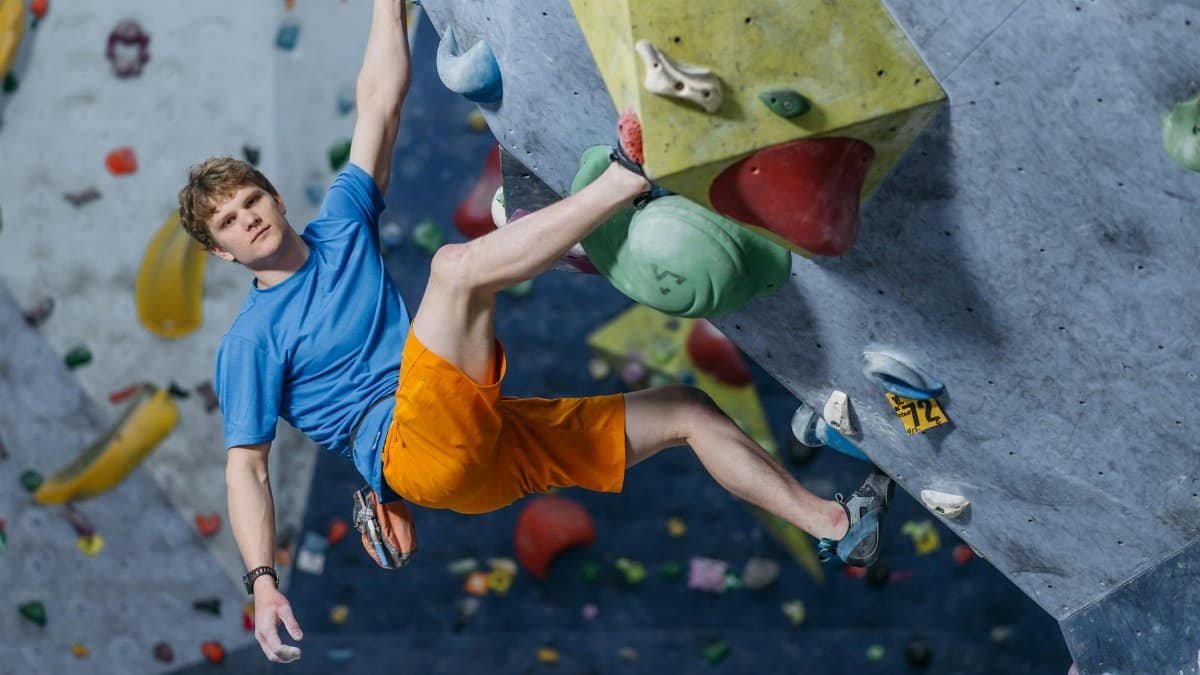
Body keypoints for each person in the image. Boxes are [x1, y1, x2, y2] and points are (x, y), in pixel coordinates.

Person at [177, 0, 894, 664]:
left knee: (686, 413)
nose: (249, 218)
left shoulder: (339, 223)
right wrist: (263, 581)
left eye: (251, 199)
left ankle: (835, 525)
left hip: (478, 450)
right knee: (455, 269)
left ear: (272, 194)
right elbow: (247, 467)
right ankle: (623, 179)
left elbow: (379, 103)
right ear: (222, 253)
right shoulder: (251, 340)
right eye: (230, 223)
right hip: (412, 446)